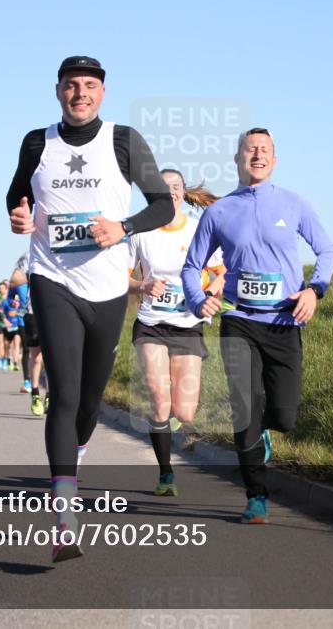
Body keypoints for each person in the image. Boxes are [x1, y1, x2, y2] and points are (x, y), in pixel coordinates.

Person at [6, 56, 174, 561]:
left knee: (89, 403)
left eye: (90, 86)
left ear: (103, 92)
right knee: (64, 393)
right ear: (58, 90)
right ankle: (64, 516)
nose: (80, 93)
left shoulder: (123, 140)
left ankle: (73, 456)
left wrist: (123, 228)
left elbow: (163, 205)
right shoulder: (37, 142)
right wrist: (16, 215)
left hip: (108, 289)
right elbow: (16, 194)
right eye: (72, 85)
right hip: (52, 279)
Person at [182, 128, 333, 525]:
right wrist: (200, 301)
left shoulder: (294, 204)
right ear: (237, 158)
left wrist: (314, 291)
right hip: (239, 319)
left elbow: (327, 250)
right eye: (250, 149)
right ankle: (256, 495)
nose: (257, 154)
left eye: (265, 149)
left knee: (284, 416)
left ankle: (265, 430)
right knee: (245, 407)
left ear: (275, 159)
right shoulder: (220, 212)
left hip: (284, 320)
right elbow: (191, 266)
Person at [128, 169, 224, 497]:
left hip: (187, 324)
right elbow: (120, 278)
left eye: (176, 188)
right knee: (159, 400)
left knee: (184, 411)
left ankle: (172, 422)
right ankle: (165, 473)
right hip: (151, 323)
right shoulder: (140, 232)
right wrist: (143, 284)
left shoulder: (199, 230)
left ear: (183, 194)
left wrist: (210, 294)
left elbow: (220, 271)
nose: (170, 193)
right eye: (163, 188)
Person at [12, 252, 49, 414]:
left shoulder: (62, 247)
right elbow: (14, 280)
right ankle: (35, 393)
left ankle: (50, 394)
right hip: (33, 312)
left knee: (52, 358)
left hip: (56, 312)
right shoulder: (29, 255)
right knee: (37, 358)